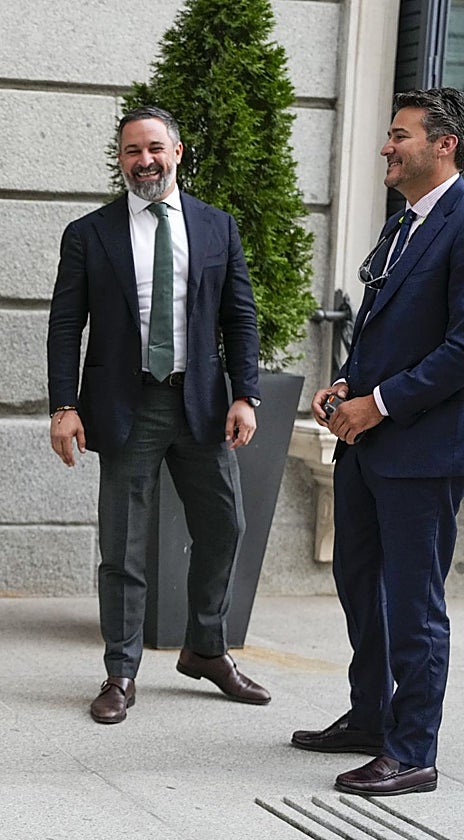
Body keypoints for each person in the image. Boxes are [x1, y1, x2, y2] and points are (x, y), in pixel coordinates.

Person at [46, 106, 269, 724]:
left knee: (226, 526)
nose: (142, 161)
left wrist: (246, 394)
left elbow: (239, 318)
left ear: (176, 152)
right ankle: (121, 671)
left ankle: (205, 647)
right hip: (128, 407)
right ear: (120, 161)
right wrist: (64, 407)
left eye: (153, 149)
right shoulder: (91, 234)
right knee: (124, 545)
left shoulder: (217, 227)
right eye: (129, 151)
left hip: (200, 405)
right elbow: (66, 326)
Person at [292, 88, 464, 797]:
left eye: (399, 136)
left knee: (414, 601)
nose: (386, 148)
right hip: (366, 443)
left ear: (444, 144)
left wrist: (380, 403)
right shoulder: (404, 225)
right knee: (359, 583)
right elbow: (382, 329)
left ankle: (413, 749)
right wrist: (344, 383)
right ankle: (369, 718)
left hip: (422, 450)